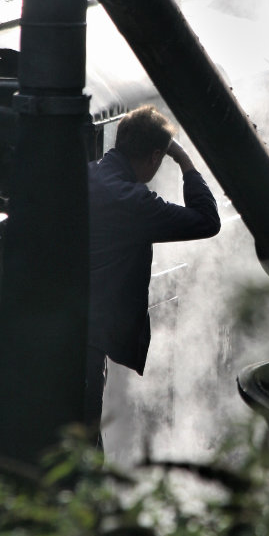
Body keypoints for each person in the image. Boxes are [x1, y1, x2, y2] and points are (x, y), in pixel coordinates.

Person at [85, 105, 221, 441]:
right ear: (154, 156)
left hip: (52, 326)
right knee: (84, 444)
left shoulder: (86, 175)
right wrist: (184, 160)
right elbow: (207, 220)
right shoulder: (132, 202)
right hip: (84, 341)